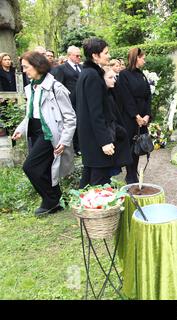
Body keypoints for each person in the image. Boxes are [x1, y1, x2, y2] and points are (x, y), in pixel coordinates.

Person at [11, 51, 76, 217]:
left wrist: (64, 140)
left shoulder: (56, 88)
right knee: (45, 168)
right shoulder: (32, 87)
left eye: (26, 67)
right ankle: (55, 201)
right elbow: (31, 114)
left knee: (30, 167)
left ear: (38, 66)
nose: (24, 70)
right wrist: (20, 129)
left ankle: (51, 199)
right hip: (36, 130)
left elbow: (70, 118)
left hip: (50, 134)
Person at [76, 37, 117, 188]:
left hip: (90, 137)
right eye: (106, 53)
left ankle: (82, 207)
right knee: (98, 184)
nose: (109, 55)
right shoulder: (92, 76)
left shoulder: (87, 73)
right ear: (95, 55)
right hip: (95, 139)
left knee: (87, 181)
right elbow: (96, 113)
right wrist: (105, 141)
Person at [115, 47, 151, 184]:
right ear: (136, 58)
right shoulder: (124, 74)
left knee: (139, 145)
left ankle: (133, 172)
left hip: (142, 116)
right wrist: (136, 116)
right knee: (130, 145)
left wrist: (147, 115)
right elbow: (126, 97)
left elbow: (148, 96)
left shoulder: (141, 75)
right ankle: (130, 175)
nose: (144, 60)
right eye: (143, 57)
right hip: (130, 117)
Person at [51, 46, 83, 154]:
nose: (79, 57)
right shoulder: (61, 68)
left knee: (81, 123)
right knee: (71, 123)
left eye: (80, 56)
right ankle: (74, 147)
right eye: (77, 55)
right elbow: (58, 85)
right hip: (69, 101)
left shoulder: (81, 68)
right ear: (69, 55)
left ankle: (80, 146)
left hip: (81, 100)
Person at [103, 66, 132, 176]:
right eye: (110, 77)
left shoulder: (111, 93)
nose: (114, 80)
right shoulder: (104, 97)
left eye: (114, 77)